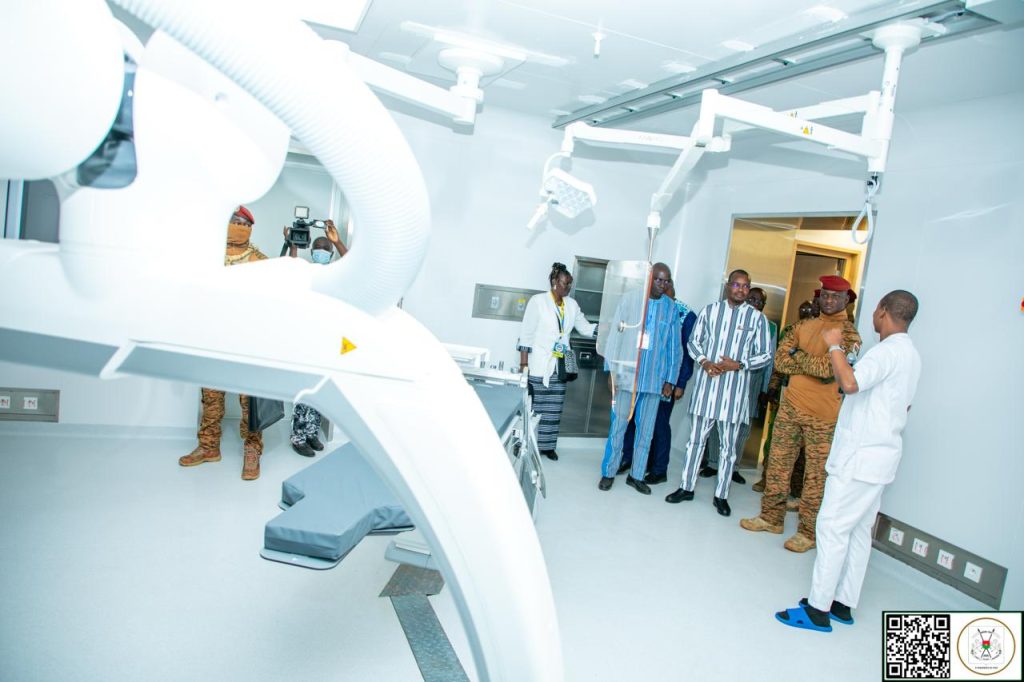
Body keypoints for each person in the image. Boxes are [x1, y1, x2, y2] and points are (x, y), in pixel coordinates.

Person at [775, 290, 921, 632]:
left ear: (882, 311)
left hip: (859, 458)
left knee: (831, 528)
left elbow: (851, 384)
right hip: (881, 458)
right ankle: (843, 603)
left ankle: (817, 609)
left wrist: (834, 346)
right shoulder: (911, 355)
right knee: (857, 533)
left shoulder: (885, 352)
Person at [740, 275, 862, 552]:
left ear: (846, 300)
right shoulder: (802, 326)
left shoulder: (849, 334)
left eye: (835, 296)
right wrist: (812, 361)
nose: (828, 300)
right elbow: (781, 361)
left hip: (824, 417)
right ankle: (771, 518)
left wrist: (799, 356)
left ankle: (808, 532)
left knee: (816, 477)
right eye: (825, 295)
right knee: (777, 465)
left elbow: (829, 369)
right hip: (791, 408)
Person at [666, 269, 772, 516]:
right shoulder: (710, 311)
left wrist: (739, 364)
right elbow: (693, 342)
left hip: (734, 395)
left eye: (745, 286)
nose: (741, 290)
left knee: (728, 449)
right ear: (727, 286)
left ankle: (721, 495)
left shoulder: (757, 319)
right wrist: (704, 362)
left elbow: (766, 355)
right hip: (707, 390)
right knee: (695, 442)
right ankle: (686, 487)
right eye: (736, 284)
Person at [179, 206, 268, 480]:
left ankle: (252, 450)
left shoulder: (260, 261)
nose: (238, 227)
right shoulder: (208, 258)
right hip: (213, 340)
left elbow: (274, 302)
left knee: (250, 403)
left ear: (250, 228)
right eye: (234, 221)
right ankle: (208, 447)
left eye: (243, 223)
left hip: (246, 344)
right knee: (211, 399)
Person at [598, 263, 682, 494]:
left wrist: (670, 379)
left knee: (646, 432)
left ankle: (636, 475)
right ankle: (609, 472)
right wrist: (611, 370)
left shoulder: (671, 309)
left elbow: (674, 347)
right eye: (658, 280)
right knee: (619, 427)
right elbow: (615, 336)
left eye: (667, 281)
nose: (662, 285)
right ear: (649, 278)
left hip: (654, 380)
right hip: (627, 376)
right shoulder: (630, 299)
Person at [615, 280, 697, 484]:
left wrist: (680, 383)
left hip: (667, 382)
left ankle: (659, 469)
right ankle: (630, 459)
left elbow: (685, 353)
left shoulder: (685, 315)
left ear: (672, 292)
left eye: (664, 289)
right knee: (634, 420)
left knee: (659, 424)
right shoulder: (646, 305)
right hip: (645, 377)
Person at [517, 262, 597, 461]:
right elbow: (526, 335)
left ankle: (548, 447)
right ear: (554, 281)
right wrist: (524, 366)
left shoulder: (572, 305)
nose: (568, 287)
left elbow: (585, 328)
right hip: (538, 364)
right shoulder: (538, 301)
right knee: (535, 408)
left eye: (570, 284)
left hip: (559, 366)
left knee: (554, 409)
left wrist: (604, 329)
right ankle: (528, 444)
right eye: (564, 283)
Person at [698, 286, 777, 484]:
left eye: (760, 301)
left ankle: (733, 467)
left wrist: (765, 389)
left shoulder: (768, 326)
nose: (755, 304)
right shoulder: (731, 318)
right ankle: (713, 463)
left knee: (743, 426)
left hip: (752, 383)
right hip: (726, 378)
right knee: (718, 418)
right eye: (752, 299)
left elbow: (769, 360)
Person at [284, 220, 348, 457]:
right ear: (311, 252)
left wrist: (337, 242)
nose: (322, 251)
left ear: (331, 254)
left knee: (320, 391)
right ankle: (298, 437)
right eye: (318, 248)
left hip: (326, 340)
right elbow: (290, 268)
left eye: (326, 248)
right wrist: (292, 244)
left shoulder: (336, 274)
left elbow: (353, 264)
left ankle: (311, 432)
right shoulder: (304, 271)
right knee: (303, 391)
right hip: (305, 339)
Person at [752, 299, 815, 495]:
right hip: (785, 394)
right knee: (776, 440)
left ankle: (796, 488)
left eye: (809, 310)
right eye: (802, 309)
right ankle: (767, 478)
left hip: (809, 398)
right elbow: (779, 363)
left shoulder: (819, 333)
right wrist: (772, 388)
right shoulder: (789, 331)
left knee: (804, 448)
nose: (805, 313)